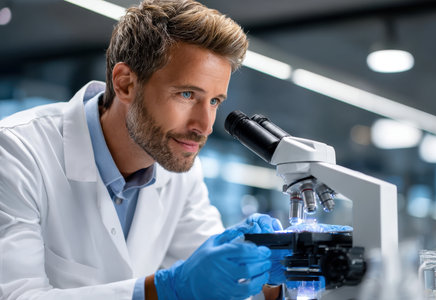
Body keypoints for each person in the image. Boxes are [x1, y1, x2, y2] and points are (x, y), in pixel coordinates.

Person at [0, 0, 284, 299]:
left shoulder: (179, 169)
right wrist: (165, 289)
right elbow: (16, 295)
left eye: (214, 101)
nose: (205, 125)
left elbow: (219, 281)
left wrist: (267, 275)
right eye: (187, 94)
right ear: (125, 84)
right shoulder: (16, 151)